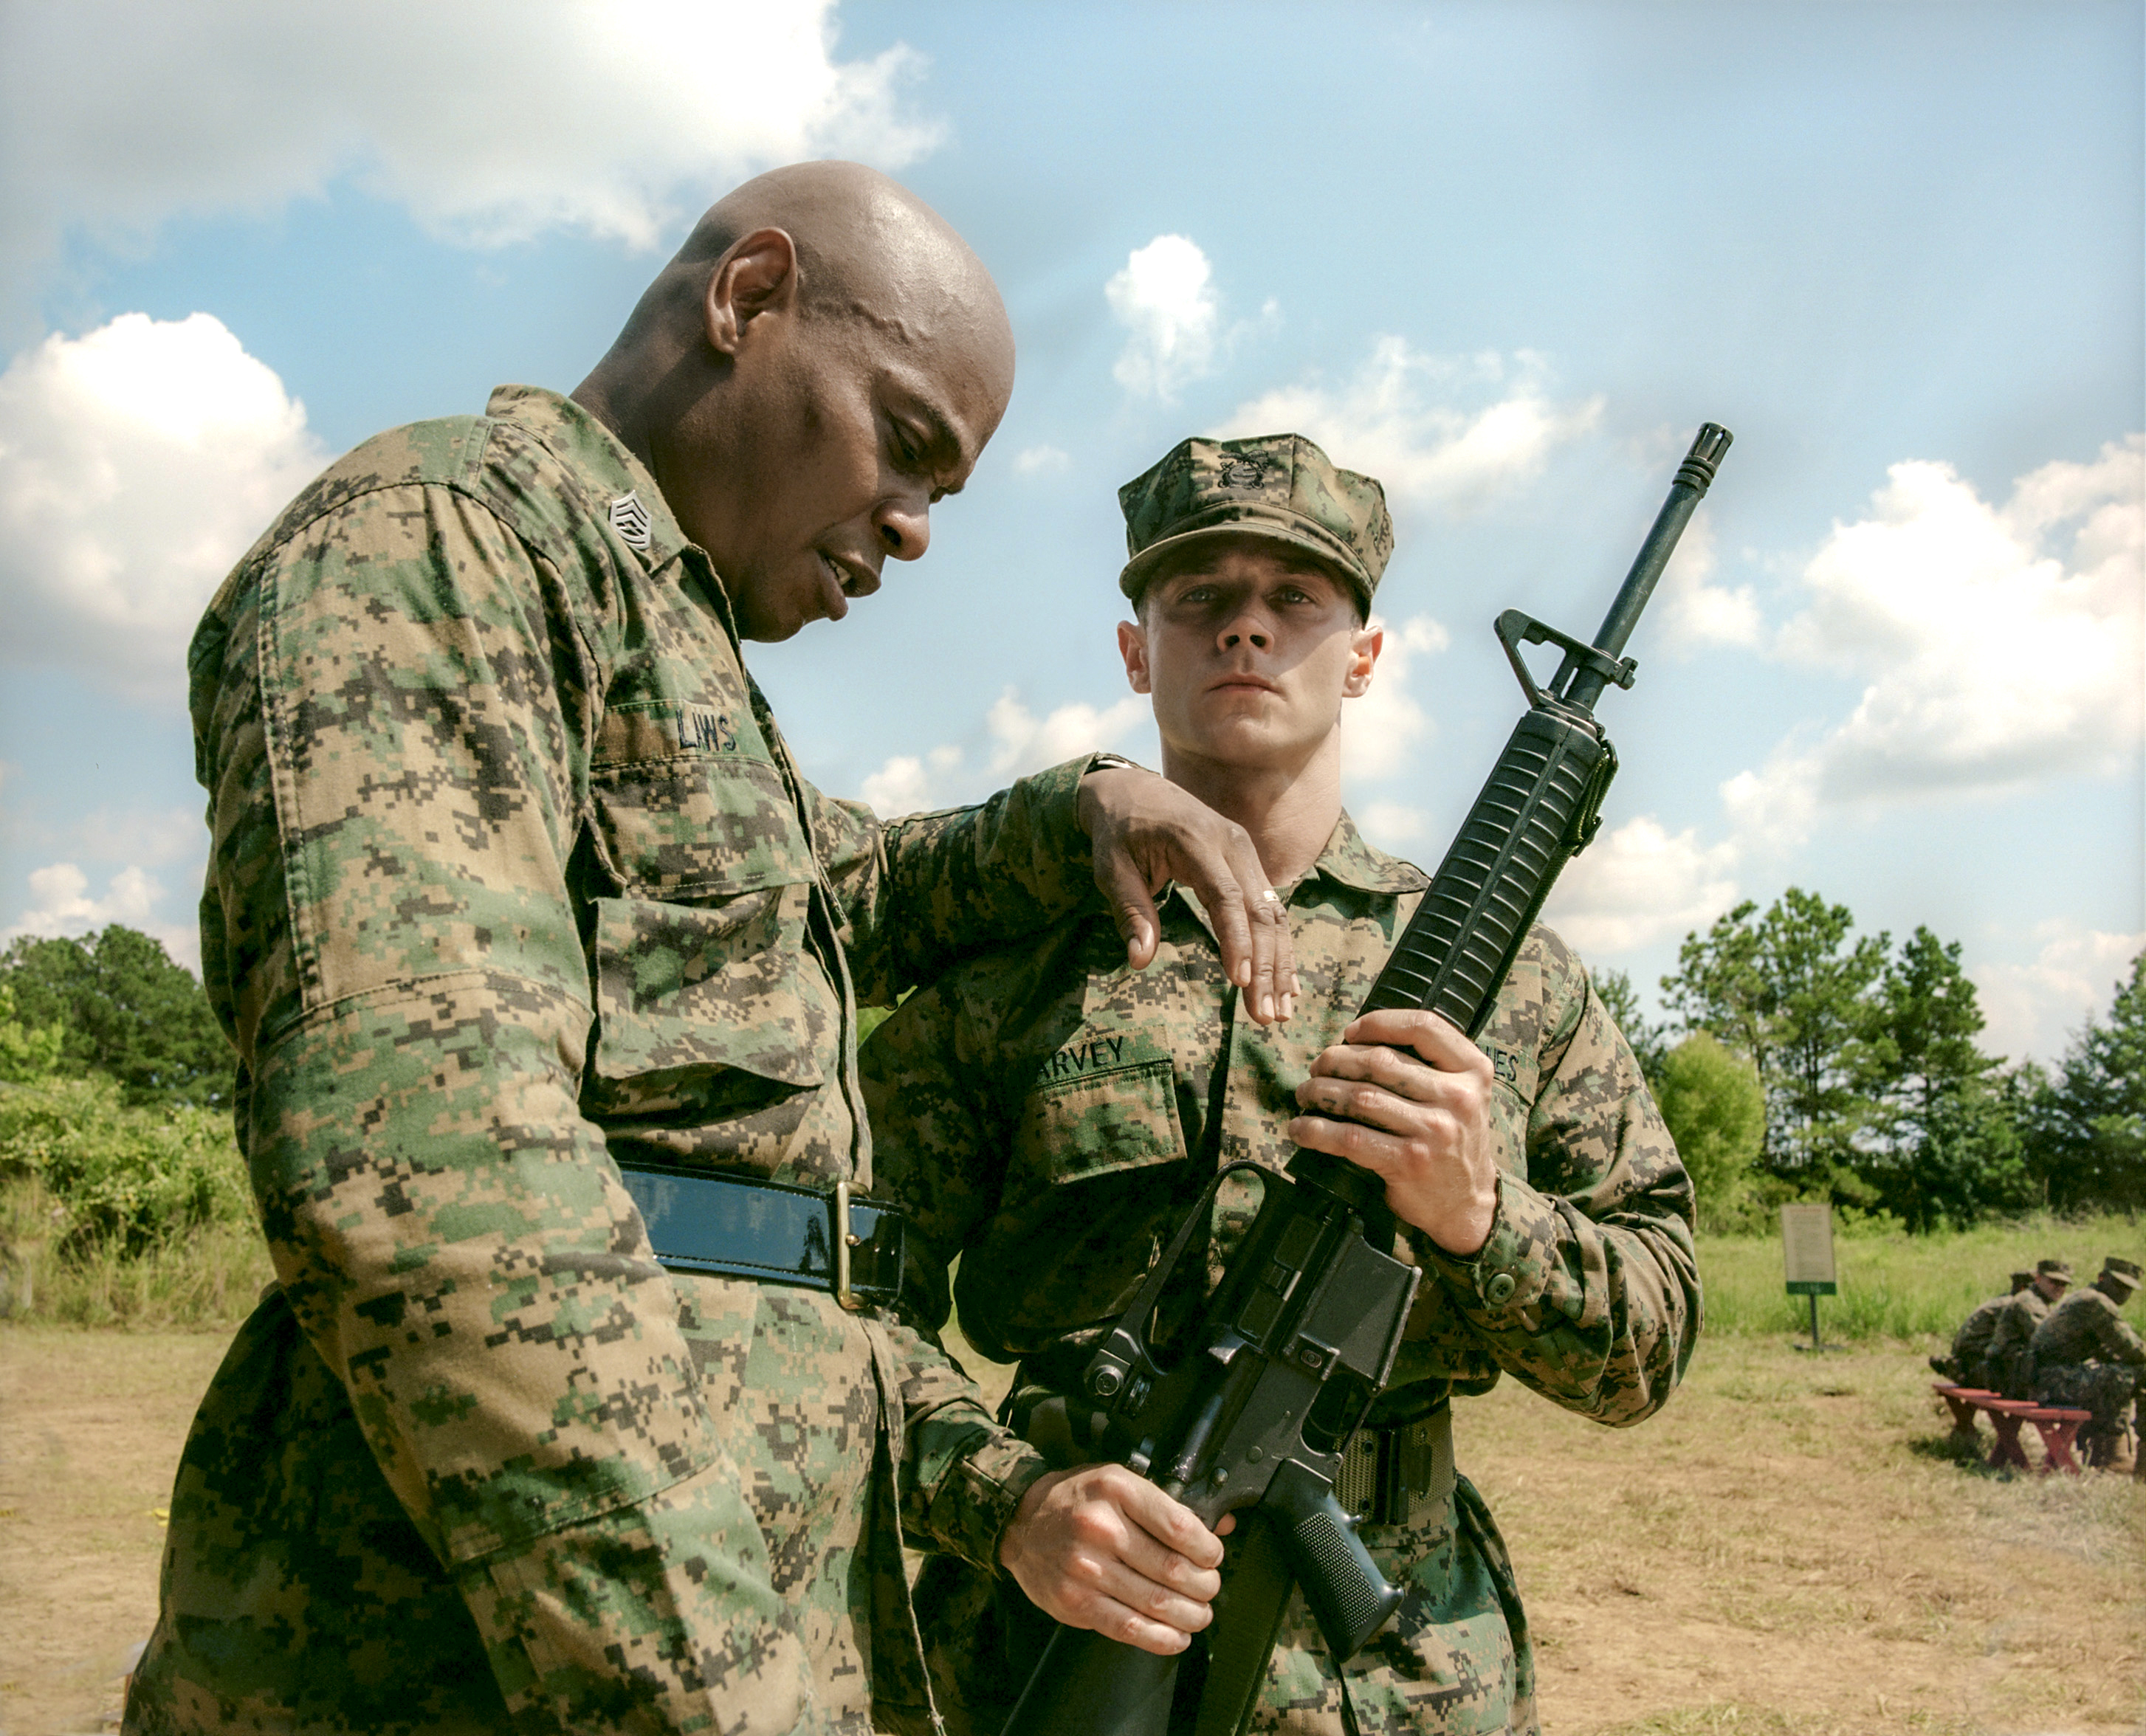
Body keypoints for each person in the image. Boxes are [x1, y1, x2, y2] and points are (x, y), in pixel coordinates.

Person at [125, 165, 1302, 1736]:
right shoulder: (449, 550)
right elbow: (435, 1180)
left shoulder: (657, 627)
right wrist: (721, 1683)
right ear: (747, 299)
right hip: (466, 1657)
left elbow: (840, 886)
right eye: (907, 445)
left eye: (946, 493)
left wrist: (1077, 806)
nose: (915, 527)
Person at [860, 433, 1702, 1736]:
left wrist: (1481, 1215)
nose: (1244, 628)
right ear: (1136, 650)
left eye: (1294, 599)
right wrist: (1005, 1501)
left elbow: (1649, 1343)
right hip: (1057, 1636)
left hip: (1402, 1673)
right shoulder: (1003, 978)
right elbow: (840, 1310)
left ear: (1363, 655)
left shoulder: (1518, 988)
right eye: (1198, 598)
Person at [2031, 1256, 2145, 1473]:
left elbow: (2114, 1353)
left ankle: (2110, 1453)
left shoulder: (2085, 1298)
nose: (2124, 1293)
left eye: (2129, 1289)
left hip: (2047, 1380)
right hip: (2050, 1383)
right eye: (2119, 1285)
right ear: (2102, 1278)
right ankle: (2114, 1455)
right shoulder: (2095, 1303)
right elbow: (2133, 1350)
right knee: (2128, 1376)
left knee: (2120, 1375)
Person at [1981, 1258, 2071, 1398]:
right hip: (2007, 1377)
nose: (2059, 1288)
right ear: (2038, 1279)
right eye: (2054, 1282)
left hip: (2016, 1374)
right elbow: (2049, 1341)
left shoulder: (2042, 1302)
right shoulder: (2028, 1302)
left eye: (2064, 1284)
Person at [1930, 1270, 2034, 1387]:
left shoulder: (2003, 1299)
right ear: (2023, 1289)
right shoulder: (2011, 1305)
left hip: (1967, 1350)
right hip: (1973, 1353)